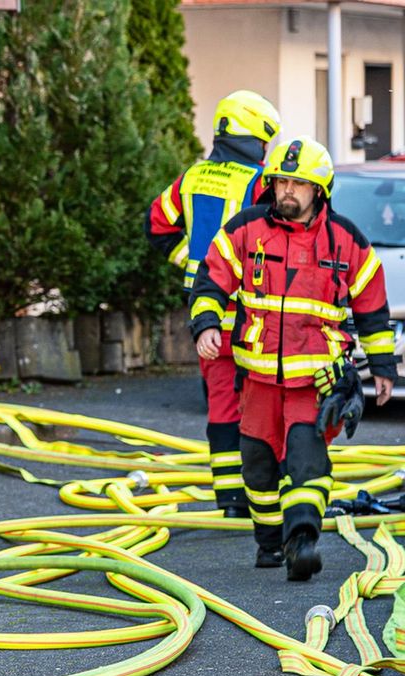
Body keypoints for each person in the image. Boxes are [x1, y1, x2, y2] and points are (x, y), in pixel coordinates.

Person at [191, 136, 397, 580]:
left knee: (307, 461)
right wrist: (206, 324)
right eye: (281, 180)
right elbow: (211, 279)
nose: (286, 190)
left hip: (317, 382)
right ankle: (270, 543)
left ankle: (302, 540)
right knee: (258, 466)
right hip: (259, 380)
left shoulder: (346, 241)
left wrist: (382, 369)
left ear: (318, 190)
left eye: (297, 184)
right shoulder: (245, 229)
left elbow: (372, 308)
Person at [148, 90, 281, 520]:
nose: (266, 152)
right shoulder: (260, 181)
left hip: (205, 314)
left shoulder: (191, 177)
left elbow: (157, 224)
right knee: (264, 399)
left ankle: (230, 499)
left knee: (223, 402)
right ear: (254, 137)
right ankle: (266, 488)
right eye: (266, 142)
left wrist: (190, 258)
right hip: (250, 314)